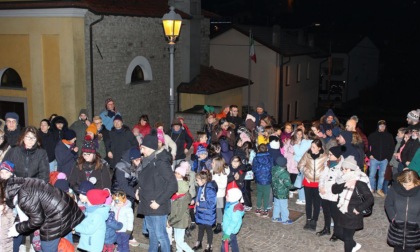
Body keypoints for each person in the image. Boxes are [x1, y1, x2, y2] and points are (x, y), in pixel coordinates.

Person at [3, 177, 84, 251]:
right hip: (64, 208)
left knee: (47, 247)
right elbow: (27, 209)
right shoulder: (20, 185)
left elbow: (37, 220)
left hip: (58, 216)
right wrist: (18, 222)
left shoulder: (23, 196)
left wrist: (18, 228)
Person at [136, 131, 178, 252]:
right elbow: (145, 179)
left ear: (149, 148)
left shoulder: (160, 162)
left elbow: (173, 185)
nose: (141, 151)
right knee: (152, 235)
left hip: (158, 205)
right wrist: (138, 189)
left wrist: (158, 202)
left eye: (143, 148)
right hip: (147, 203)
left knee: (161, 235)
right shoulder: (148, 160)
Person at [332, 156, 374, 252]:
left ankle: (350, 247)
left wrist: (358, 209)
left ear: (352, 169)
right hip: (342, 211)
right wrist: (344, 184)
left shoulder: (360, 181)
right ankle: (354, 245)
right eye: (342, 168)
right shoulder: (342, 178)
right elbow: (334, 190)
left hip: (353, 214)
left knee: (347, 237)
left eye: (345, 169)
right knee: (338, 233)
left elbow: (370, 198)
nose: (343, 171)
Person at [385, 170, 420, 252]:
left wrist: (418, 222)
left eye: (410, 185)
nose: (407, 188)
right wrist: (393, 217)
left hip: (414, 229)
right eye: (404, 185)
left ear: (416, 182)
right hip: (398, 227)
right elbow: (388, 203)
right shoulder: (395, 189)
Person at [298, 139, 328, 231]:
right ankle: (308, 219)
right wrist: (306, 173)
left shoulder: (325, 156)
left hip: (319, 183)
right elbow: (300, 165)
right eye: (311, 146)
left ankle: (314, 220)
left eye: (313, 147)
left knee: (317, 203)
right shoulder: (307, 155)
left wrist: (323, 178)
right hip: (308, 182)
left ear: (319, 148)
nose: (311, 148)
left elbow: (327, 169)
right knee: (308, 202)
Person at [317, 146, 342, 239]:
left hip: (334, 195)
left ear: (336, 156)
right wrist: (321, 187)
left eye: (331, 154)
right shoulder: (327, 163)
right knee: (326, 212)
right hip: (324, 193)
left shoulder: (341, 166)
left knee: (335, 215)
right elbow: (322, 177)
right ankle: (326, 229)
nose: (329, 156)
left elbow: (341, 181)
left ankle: (336, 233)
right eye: (329, 154)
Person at [168, 165, 194, 252]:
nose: (175, 174)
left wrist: (170, 222)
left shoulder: (181, 198)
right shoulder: (177, 197)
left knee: (179, 241)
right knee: (178, 239)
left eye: (177, 173)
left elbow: (179, 214)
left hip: (180, 221)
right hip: (178, 221)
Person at [367, 120, 395, 197]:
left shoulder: (389, 136)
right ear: (378, 126)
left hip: (384, 160)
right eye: (380, 126)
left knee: (382, 175)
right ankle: (372, 189)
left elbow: (392, 148)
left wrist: (388, 158)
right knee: (371, 175)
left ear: (385, 127)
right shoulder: (372, 135)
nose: (382, 127)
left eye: (384, 126)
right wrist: (369, 155)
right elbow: (367, 146)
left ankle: (379, 189)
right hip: (374, 159)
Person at [192, 170, 217, 252]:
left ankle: (209, 245)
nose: (196, 182)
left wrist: (200, 204)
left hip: (208, 214)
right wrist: (195, 200)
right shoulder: (201, 187)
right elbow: (199, 197)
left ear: (203, 180)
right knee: (201, 228)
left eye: (197, 180)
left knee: (209, 230)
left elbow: (212, 203)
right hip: (201, 213)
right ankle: (199, 242)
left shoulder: (209, 189)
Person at [220, 185, 245, 252]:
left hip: (229, 231)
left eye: (227, 195)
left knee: (224, 245)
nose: (226, 196)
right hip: (229, 229)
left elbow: (233, 222)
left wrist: (227, 233)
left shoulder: (235, 209)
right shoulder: (231, 204)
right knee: (233, 242)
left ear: (233, 198)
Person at [271, 156, 294, 224]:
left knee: (276, 204)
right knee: (284, 206)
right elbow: (288, 185)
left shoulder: (273, 169)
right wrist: (295, 186)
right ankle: (285, 219)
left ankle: (275, 217)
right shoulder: (285, 173)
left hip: (275, 191)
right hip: (282, 193)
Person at [252, 144, 273, 218]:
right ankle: (265, 209)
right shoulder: (270, 158)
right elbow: (272, 167)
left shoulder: (255, 158)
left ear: (258, 150)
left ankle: (258, 208)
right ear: (267, 149)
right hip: (267, 179)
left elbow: (253, 168)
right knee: (266, 194)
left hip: (259, 179)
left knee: (259, 193)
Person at [211, 156, 229, 234]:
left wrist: (215, 183)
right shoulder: (212, 171)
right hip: (213, 194)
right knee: (214, 208)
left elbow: (223, 185)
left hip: (220, 195)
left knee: (219, 210)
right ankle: (213, 221)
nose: (211, 164)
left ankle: (219, 224)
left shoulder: (223, 174)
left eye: (213, 163)